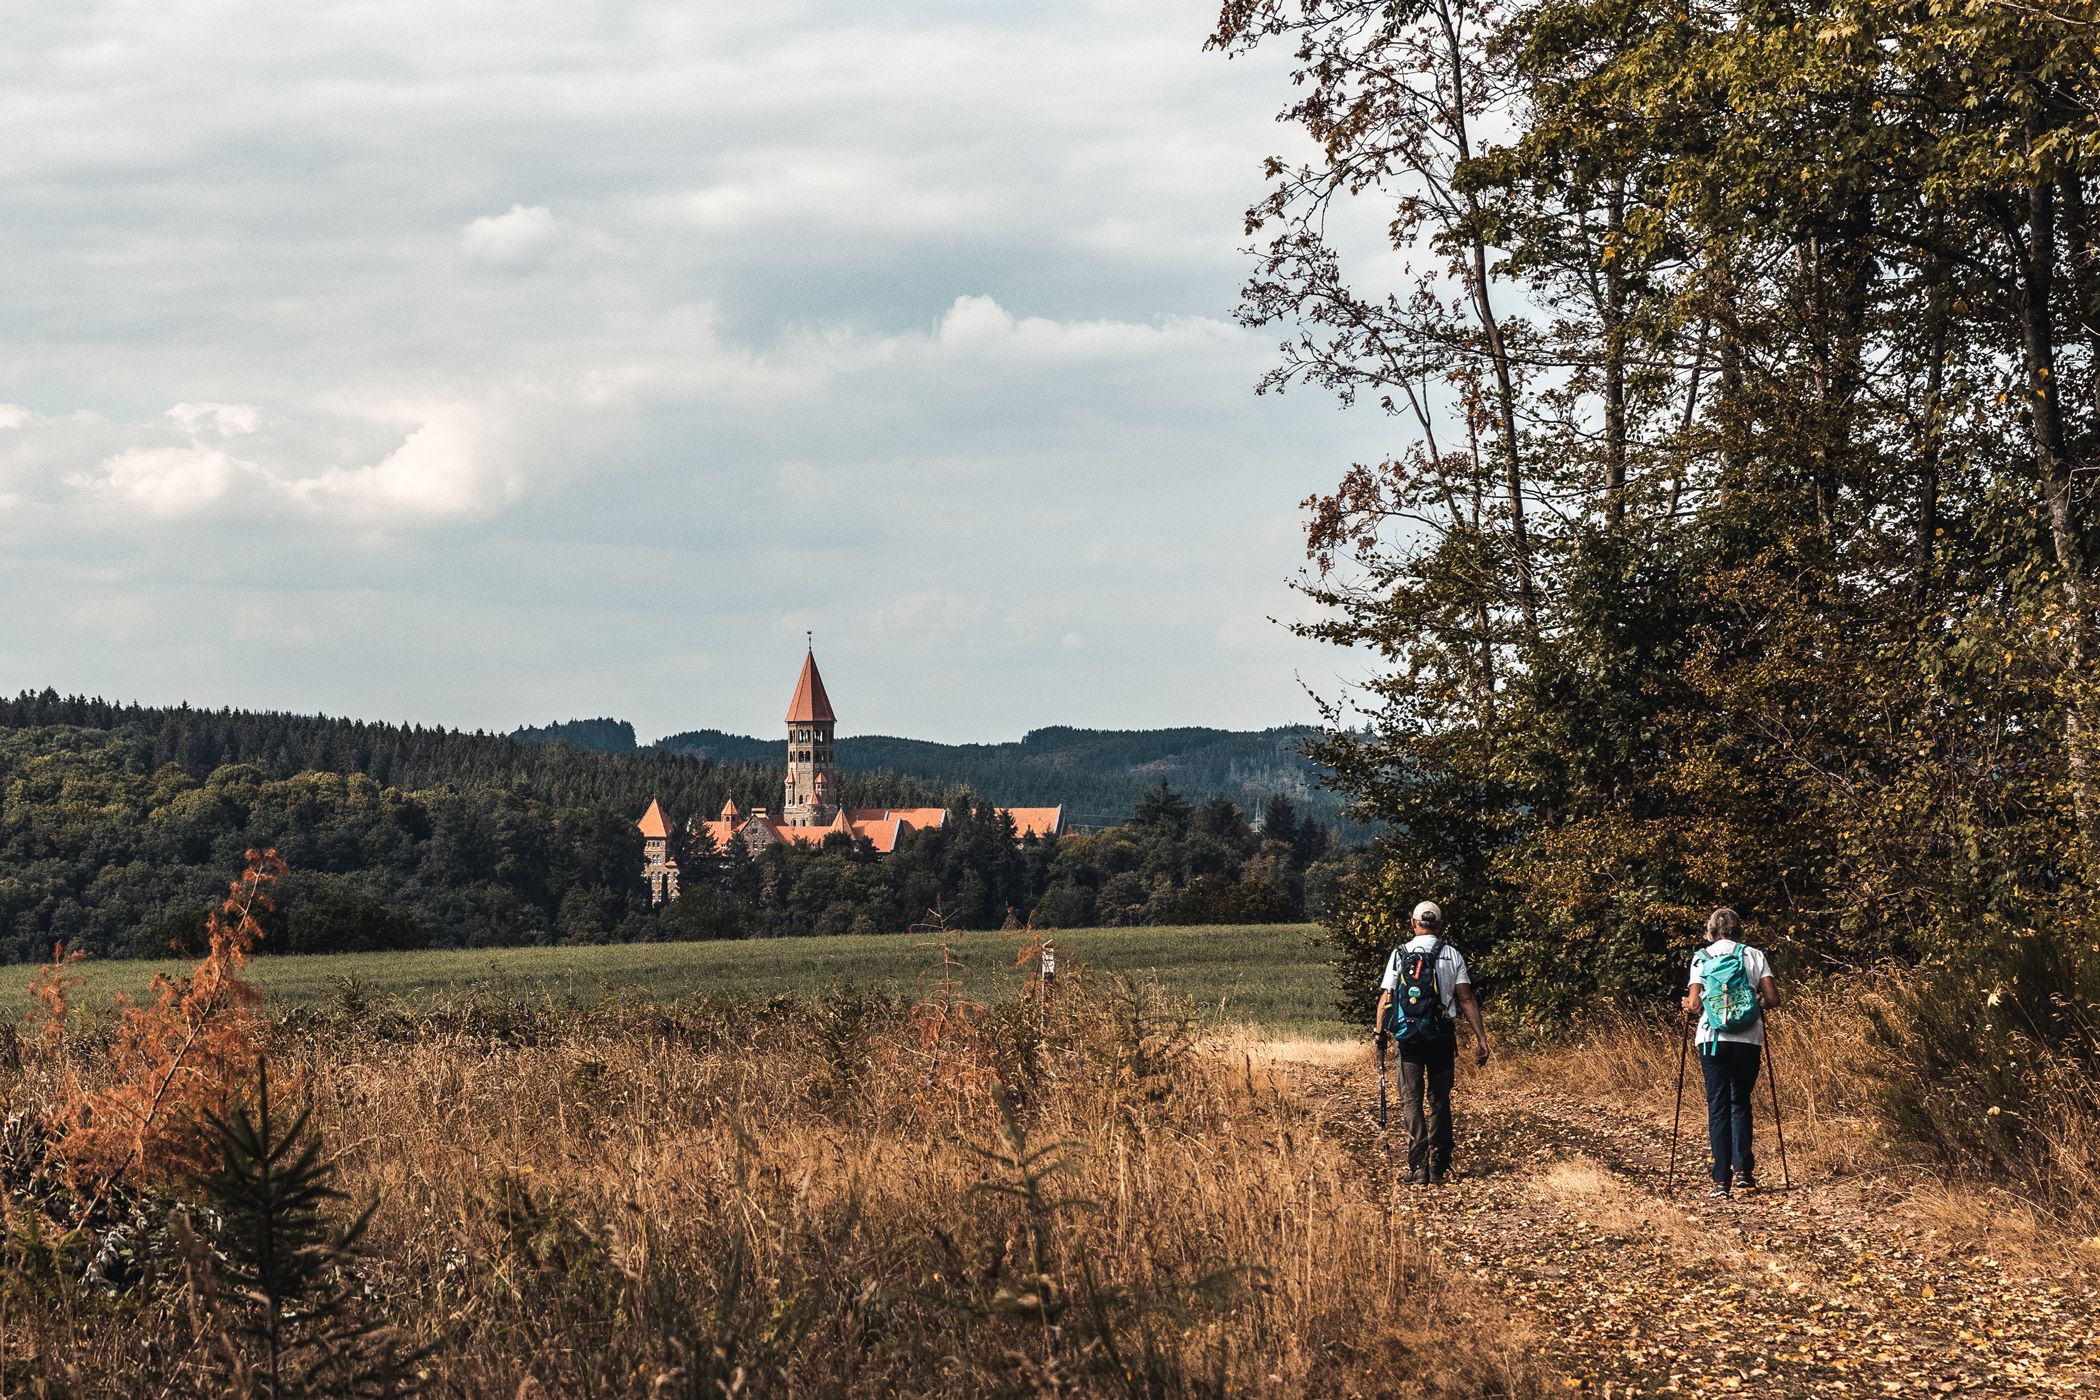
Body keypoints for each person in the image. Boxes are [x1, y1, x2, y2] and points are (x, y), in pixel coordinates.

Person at [1373, 900, 1490, 1185]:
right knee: (1439, 1100)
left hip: (1409, 1039)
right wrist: (1481, 1039)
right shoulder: (1452, 955)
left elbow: (1387, 997)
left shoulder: (1400, 954)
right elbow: (1465, 997)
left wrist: (1379, 1033)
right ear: (1439, 924)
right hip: (1441, 1037)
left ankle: (1418, 1168)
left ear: (1414, 923)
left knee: (1411, 1100)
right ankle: (1439, 1165)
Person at [1681, 907, 1779, 1199]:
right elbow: (1773, 999)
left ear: (1711, 931)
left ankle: (1720, 1181)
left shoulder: (1703, 957)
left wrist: (1689, 1004)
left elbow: (1696, 1005)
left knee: (1718, 1106)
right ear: (1739, 930)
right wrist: (1753, 1002)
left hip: (1712, 1039)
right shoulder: (1754, 955)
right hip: (1748, 1039)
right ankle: (1744, 1175)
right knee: (1741, 1103)